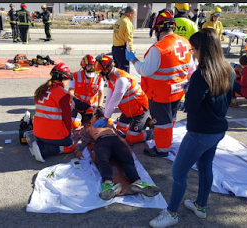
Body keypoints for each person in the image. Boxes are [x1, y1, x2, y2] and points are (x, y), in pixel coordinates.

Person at [149, 28, 234, 228]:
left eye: (194, 49)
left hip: (199, 133)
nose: (192, 53)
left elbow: (191, 106)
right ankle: (200, 206)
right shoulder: (228, 69)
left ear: (204, 49)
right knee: (206, 167)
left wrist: (188, 91)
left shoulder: (201, 75)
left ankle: (171, 213)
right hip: (218, 130)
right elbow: (228, 98)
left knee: (178, 172)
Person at [126, 11, 195, 157]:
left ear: (157, 29)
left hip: (160, 93)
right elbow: (191, 69)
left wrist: (133, 59)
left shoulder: (159, 48)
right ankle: (167, 140)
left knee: (162, 123)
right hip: (178, 91)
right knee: (171, 119)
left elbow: (145, 71)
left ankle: (162, 149)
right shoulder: (185, 43)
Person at [74, 109, 160, 201]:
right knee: (102, 161)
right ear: (90, 120)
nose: (97, 117)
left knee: (128, 159)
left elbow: (120, 137)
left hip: (116, 141)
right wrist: (78, 149)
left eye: (98, 116)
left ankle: (138, 182)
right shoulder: (88, 128)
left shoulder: (108, 125)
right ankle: (108, 184)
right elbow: (82, 140)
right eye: (95, 116)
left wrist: (128, 148)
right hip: (102, 142)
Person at [93, 54, 153, 145]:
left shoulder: (121, 80)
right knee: (120, 131)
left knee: (131, 138)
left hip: (139, 110)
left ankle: (153, 133)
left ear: (106, 70)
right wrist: (105, 115)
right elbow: (108, 99)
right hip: (128, 111)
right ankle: (144, 124)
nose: (100, 76)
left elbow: (114, 101)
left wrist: (105, 118)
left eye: (100, 73)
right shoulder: (110, 79)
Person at [30, 63, 76, 162]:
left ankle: (42, 144)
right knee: (71, 145)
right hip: (50, 135)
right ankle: (44, 149)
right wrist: (69, 134)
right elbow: (67, 119)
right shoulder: (63, 94)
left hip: (37, 133)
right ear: (63, 78)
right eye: (68, 79)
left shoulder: (42, 89)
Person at [68, 55, 105, 129]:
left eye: (93, 67)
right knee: (74, 124)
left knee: (101, 123)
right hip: (78, 106)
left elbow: (101, 93)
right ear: (84, 67)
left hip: (91, 108)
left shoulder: (99, 77)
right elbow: (70, 91)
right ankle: (82, 121)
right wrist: (75, 100)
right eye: (89, 67)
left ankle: (88, 122)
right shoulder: (75, 75)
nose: (91, 69)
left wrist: (100, 106)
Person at [112, 5, 137, 73]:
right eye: (134, 15)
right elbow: (129, 39)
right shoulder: (127, 23)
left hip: (115, 48)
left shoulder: (118, 22)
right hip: (122, 50)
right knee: (124, 71)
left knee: (116, 70)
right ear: (130, 13)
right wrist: (131, 52)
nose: (134, 17)